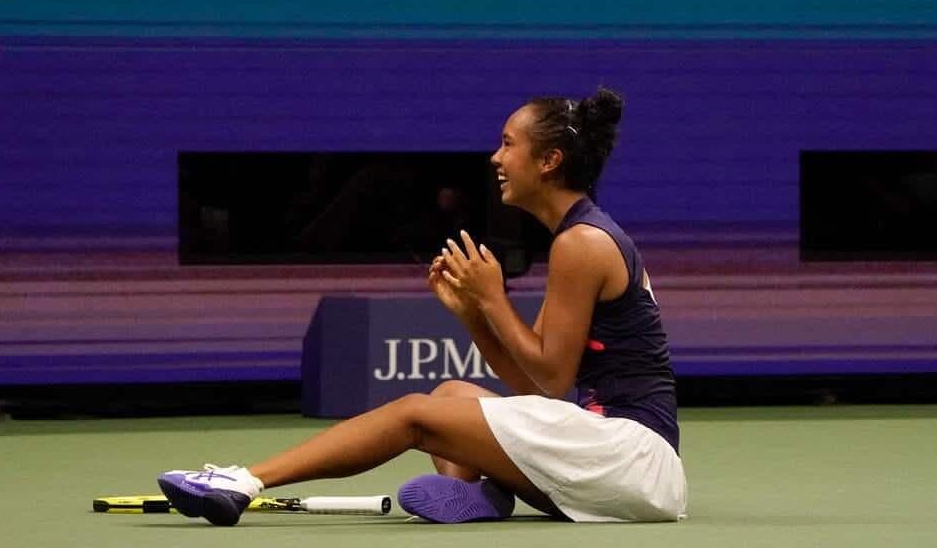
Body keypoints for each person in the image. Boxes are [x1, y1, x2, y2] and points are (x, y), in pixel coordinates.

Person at [157, 87, 687, 525]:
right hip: (619, 459)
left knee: (416, 413)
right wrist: (474, 316)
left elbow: (550, 382)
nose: (496, 158)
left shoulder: (582, 244)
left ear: (549, 161)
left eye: (508, 144)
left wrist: (492, 296)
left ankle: (243, 481)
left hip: (633, 456)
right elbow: (535, 388)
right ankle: (473, 499)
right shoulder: (576, 238)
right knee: (451, 392)